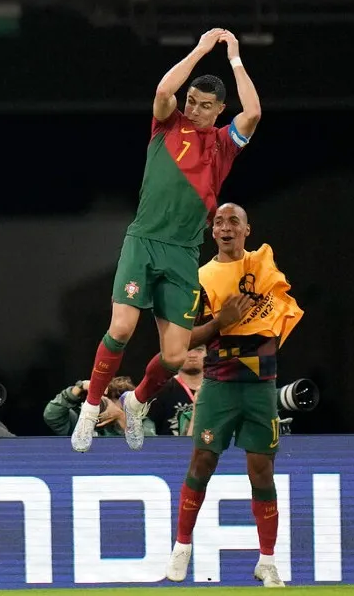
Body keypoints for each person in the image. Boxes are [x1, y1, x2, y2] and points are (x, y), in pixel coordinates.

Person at [71, 28, 262, 453]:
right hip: (144, 242)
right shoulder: (166, 124)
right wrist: (199, 49)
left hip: (182, 255)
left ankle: (135, 401)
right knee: (120, 328)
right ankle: (88, 410)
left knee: (175, 357)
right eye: (192, 101)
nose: (194, 109)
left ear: (219, 110)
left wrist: (232, 55)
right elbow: (163, 89)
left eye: (204, 105)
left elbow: (254, 111)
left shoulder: (224, 144)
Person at [165, 203, 303, 587]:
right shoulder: (202, 277)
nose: (226, 228)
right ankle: (182, 547)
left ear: (246, 229)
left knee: (262, 472)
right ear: (213, 232)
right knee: (202, 463)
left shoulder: (265, 270)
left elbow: (280, 318)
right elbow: (181, 340)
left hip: (261, 388)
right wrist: (219, 323)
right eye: (219, 222)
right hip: (220, 386)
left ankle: (268, 561)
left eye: (234, 222)